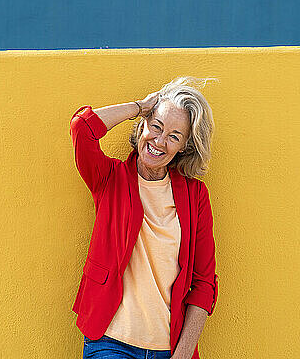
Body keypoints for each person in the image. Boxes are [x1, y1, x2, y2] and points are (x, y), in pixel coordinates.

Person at [69, 76, 219, 359]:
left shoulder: (195, 196)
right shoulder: (110, 178)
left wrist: (183, 354)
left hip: (169, 348)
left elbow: (204, 282)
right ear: (143, 126)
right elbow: (82, 128)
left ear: (184, 147)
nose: (159, 141)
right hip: (110, 340)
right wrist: (140, 107)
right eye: (156, 126)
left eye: (174, 136)